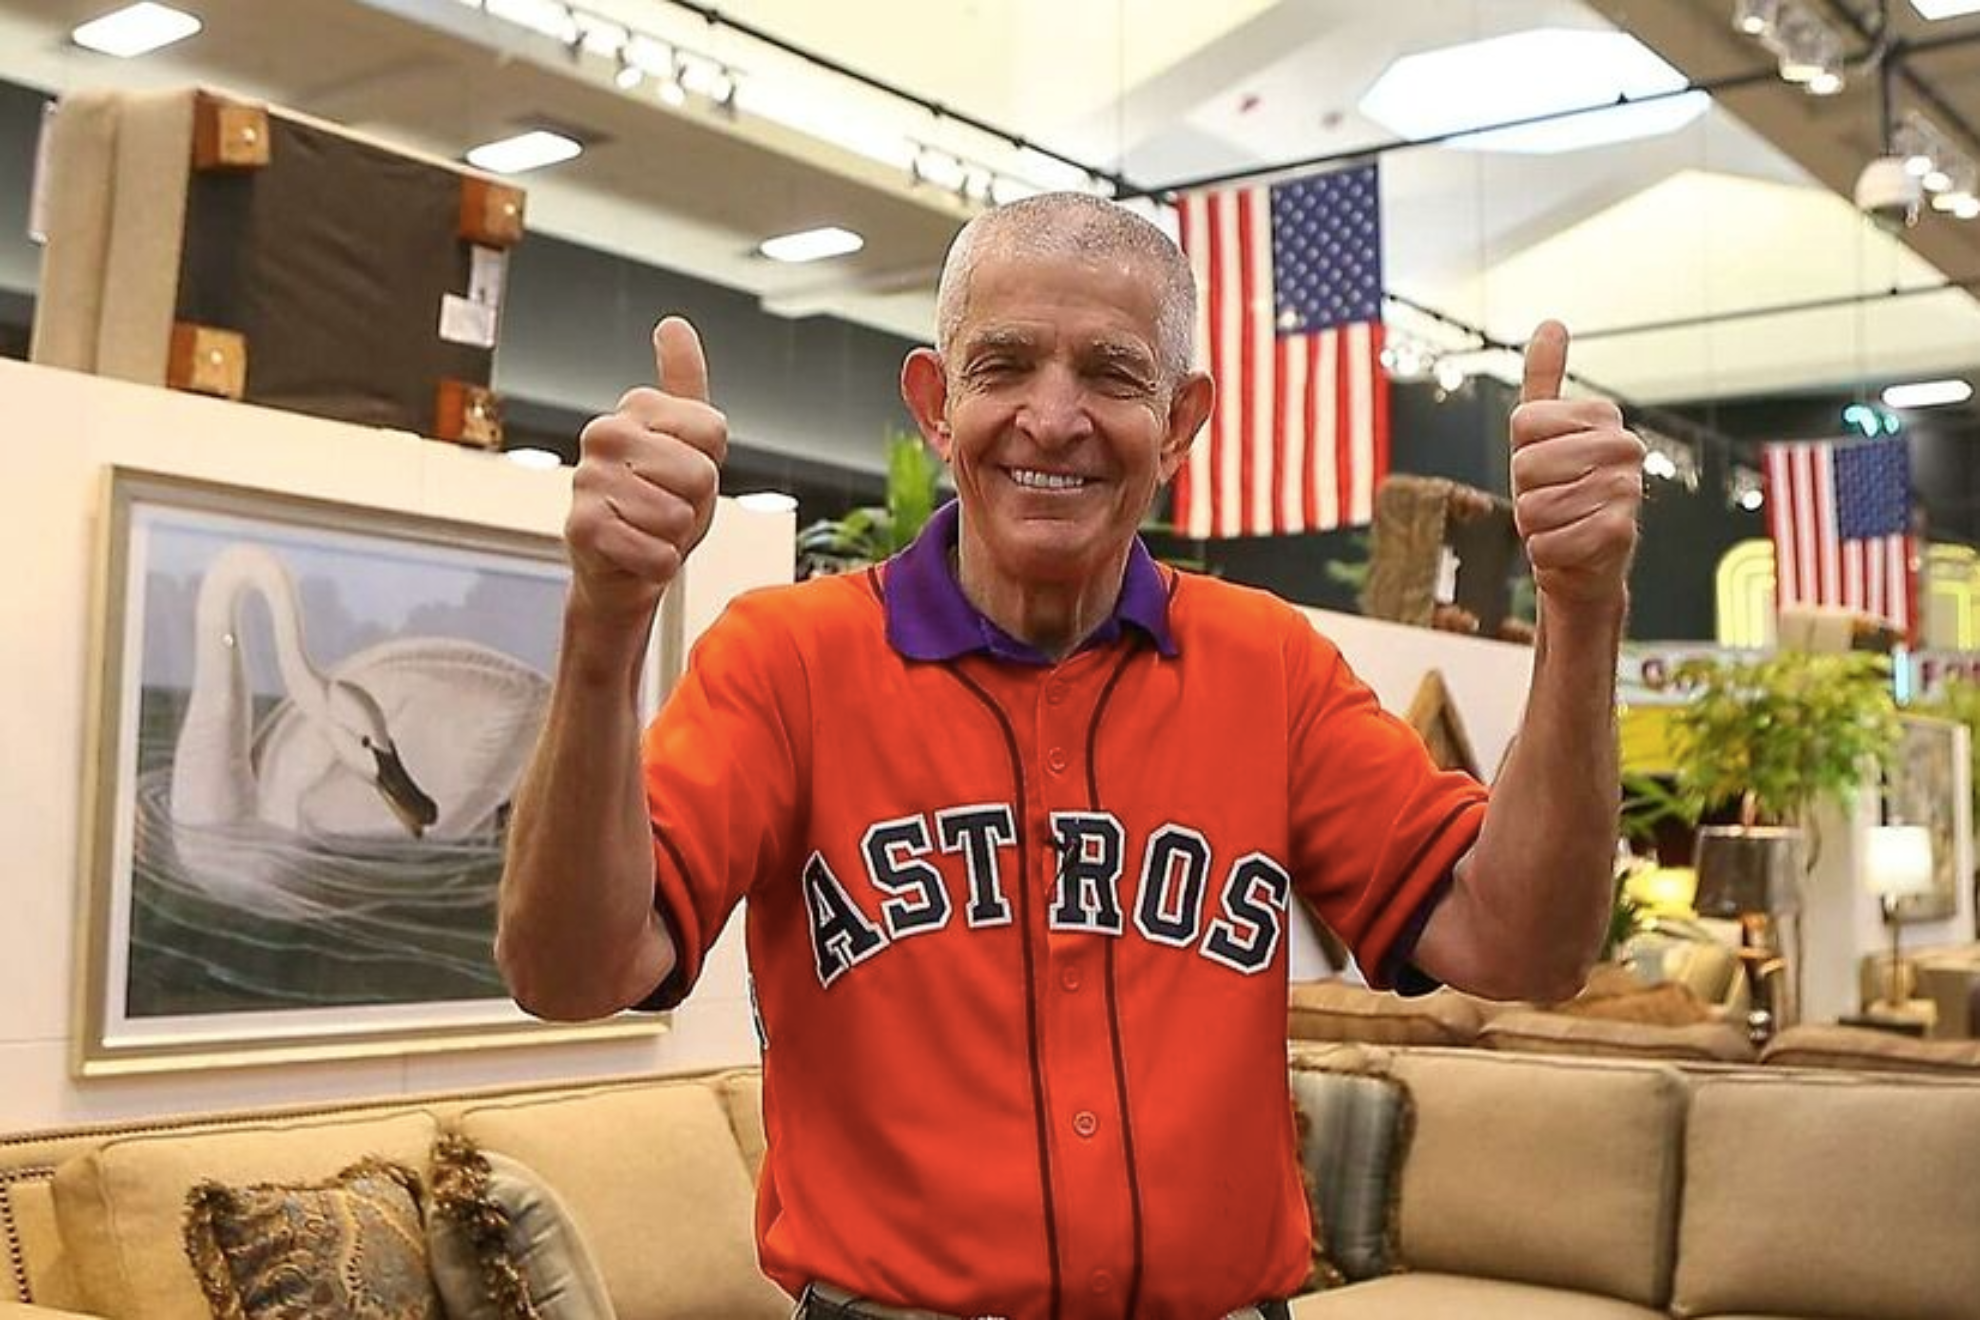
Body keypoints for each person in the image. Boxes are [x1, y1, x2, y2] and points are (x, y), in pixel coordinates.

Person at [497, 192, 1643, 1320]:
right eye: (1003, 368)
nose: (1053, 418)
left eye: (1111, 372)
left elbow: (1525, 945)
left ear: (1182, 423)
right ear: (936, 407)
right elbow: (568, 970)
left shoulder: (1269, 669)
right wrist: (607, 620)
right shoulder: (790, 660)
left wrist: (1581, 607)